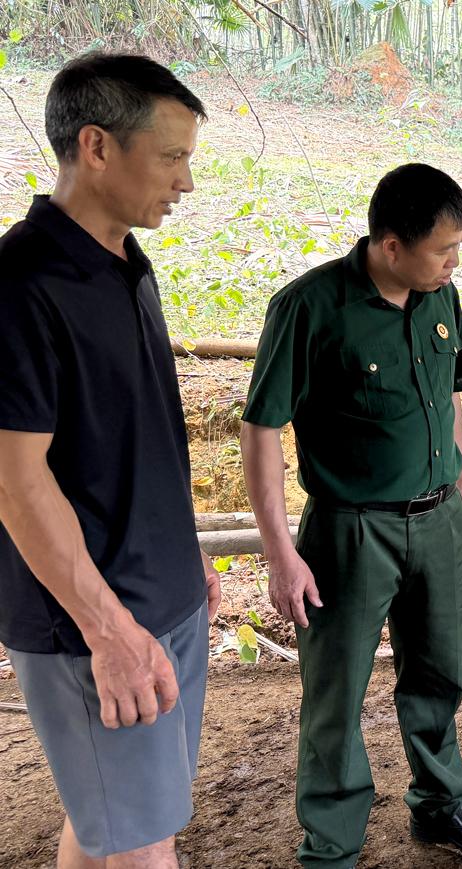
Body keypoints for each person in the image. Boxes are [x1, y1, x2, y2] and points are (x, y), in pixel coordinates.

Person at [241, 163, 462, 866]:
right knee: (335, 690)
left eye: (460, 247)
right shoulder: (309, 308)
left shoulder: (440, 296)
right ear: (390, 245)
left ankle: (438, 803)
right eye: (443, 249)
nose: (455, 262)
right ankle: (332, 844)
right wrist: (280, 551)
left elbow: (452, 390)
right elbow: (262, 429)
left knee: (438, 671)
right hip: (350, 530)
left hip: (437, 521)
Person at [0, 54, 220, 868]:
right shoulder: (22, 285)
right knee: (139, 847)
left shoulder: (125, 260)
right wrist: (110, 630)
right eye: (171, 157)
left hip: (159, 592)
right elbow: (15, 481)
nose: (185, 182)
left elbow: (130, 435)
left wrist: (179, 549)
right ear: (96, 146)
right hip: (94, 621)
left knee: (114, 824)